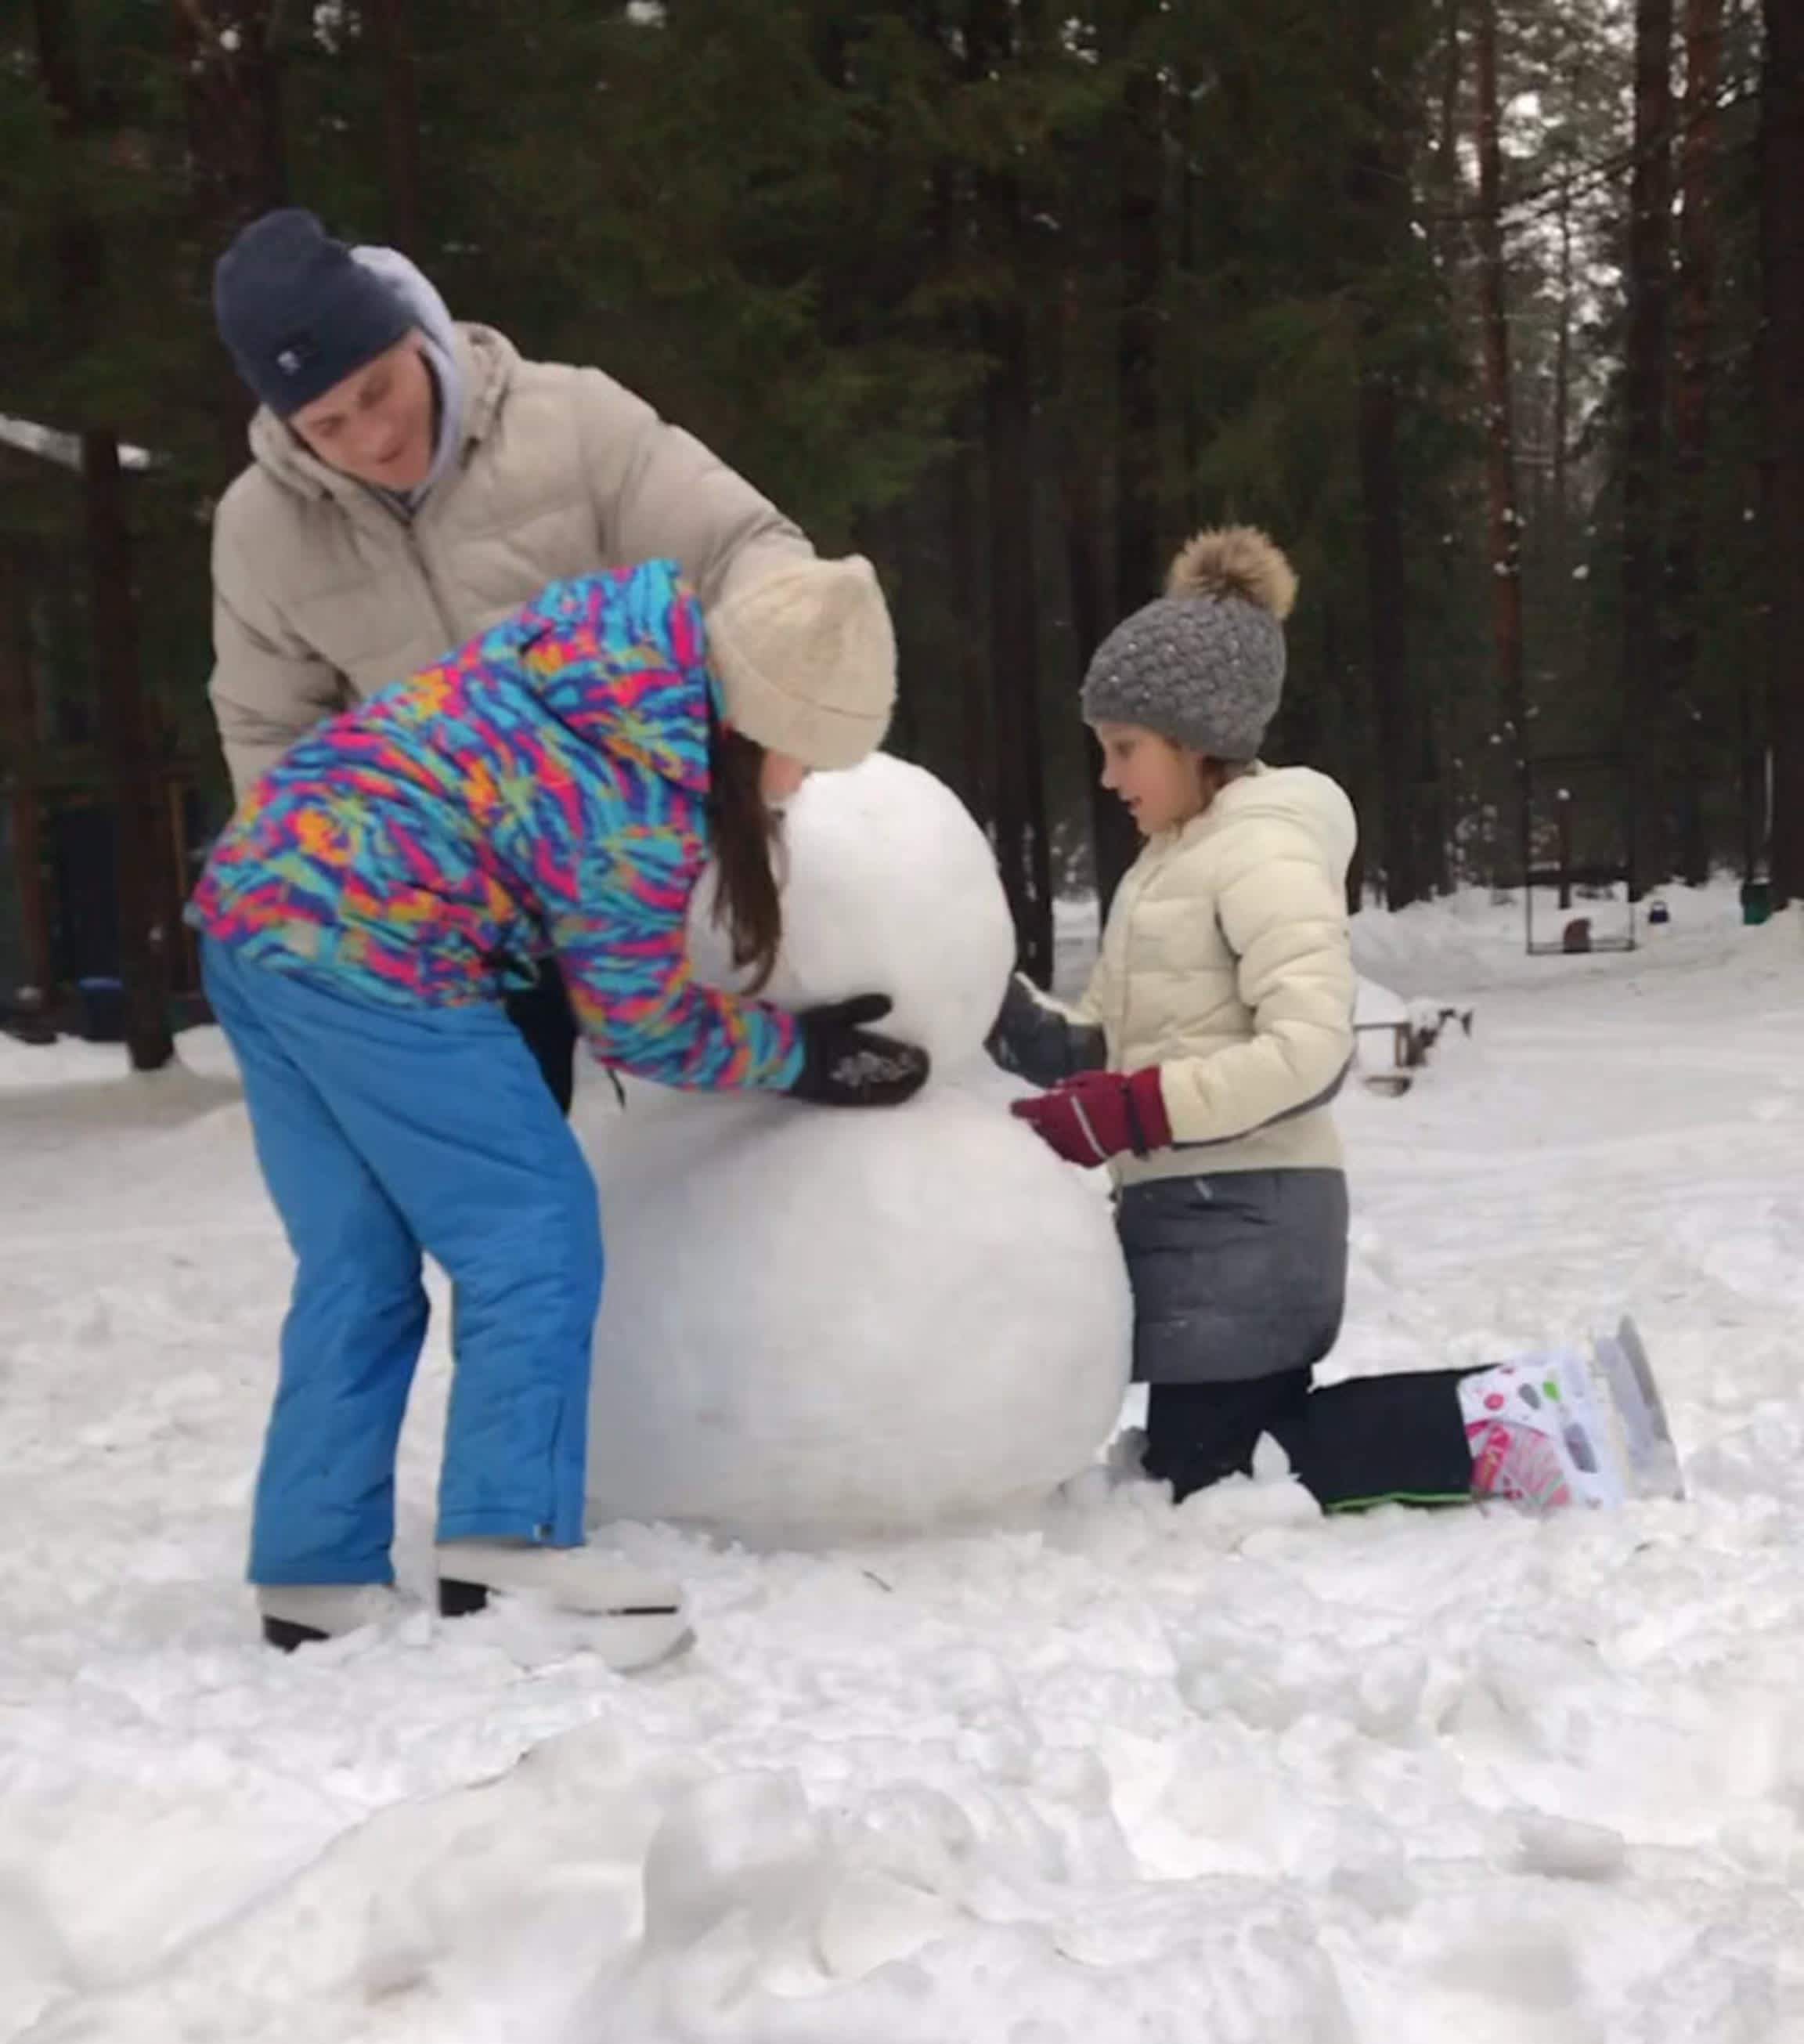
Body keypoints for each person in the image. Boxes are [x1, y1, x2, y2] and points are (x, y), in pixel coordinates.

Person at [191, 550, 929, 1664]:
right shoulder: (635, 787)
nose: (804, 783)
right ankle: (508, 1541)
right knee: (532, 1234)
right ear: (767, 719)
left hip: (256, 909)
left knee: (358, 1258)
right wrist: (800, 1057)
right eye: (810, 756)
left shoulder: (593, 667)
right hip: (380, 946)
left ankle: (315, 1569)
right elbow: (641, 1020)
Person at [992, 529, 1680, 1516]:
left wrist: (1130, 1111)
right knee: (1208, 1456)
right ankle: (1547, 1413)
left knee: (1221, 1470)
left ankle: (1541, 1419)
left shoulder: (1261, 849)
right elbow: (1105, 1047)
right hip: (1196, 1215)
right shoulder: (1167, 865)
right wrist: (992, 1004)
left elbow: (1310, 1051)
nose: (1108, 777)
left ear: (1195, 739)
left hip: (1253, 1214)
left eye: (1124, 749)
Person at [208, 208, 817, 1111]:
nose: (371, 438)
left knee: (842, 958)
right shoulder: (262, 531)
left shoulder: (572, 421)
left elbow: (751, 550)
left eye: (378, 390)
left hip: (672, 853)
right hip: (474, 923)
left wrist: (760, 715)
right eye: (328, 425)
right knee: (510, 1192)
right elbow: (273, 736)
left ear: (414, 337)